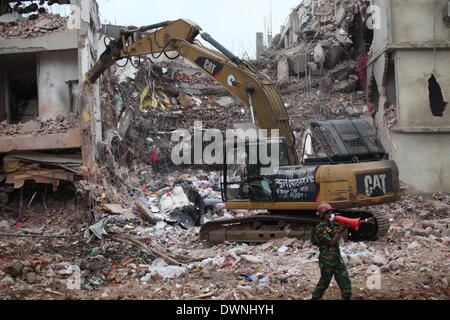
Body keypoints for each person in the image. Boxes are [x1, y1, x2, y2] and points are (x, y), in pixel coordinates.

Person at [312, 203, 352, 300]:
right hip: (326, 261)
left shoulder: (333, 224)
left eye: (331, 212)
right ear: (323, 215)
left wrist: (366, 221)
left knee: (346, 285)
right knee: (323, 284)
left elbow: (350, 223)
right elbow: (331, 243)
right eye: (328, 213)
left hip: (337, 260)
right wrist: (339, 231)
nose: (331, 215)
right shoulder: (319, 228)